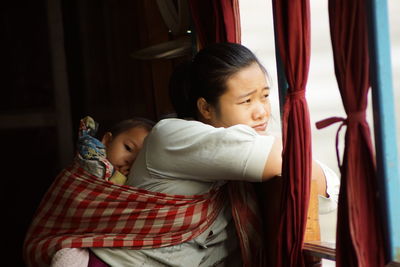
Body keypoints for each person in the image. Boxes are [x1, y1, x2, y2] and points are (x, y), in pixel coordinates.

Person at [88, 42, 339, 266]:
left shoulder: (231, 145)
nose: (261, 112)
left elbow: (322, 180)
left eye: (264, 96)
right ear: (205, 108)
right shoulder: (172, 136)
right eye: (246, 101)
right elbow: (288, 160)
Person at [40, 116, 155, 267]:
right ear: (106, 141)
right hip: (72, 239)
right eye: (127, 148)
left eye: (138, 161)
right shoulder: (90, 164)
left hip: (105, 246)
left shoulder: (133, 187)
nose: (129, 161)